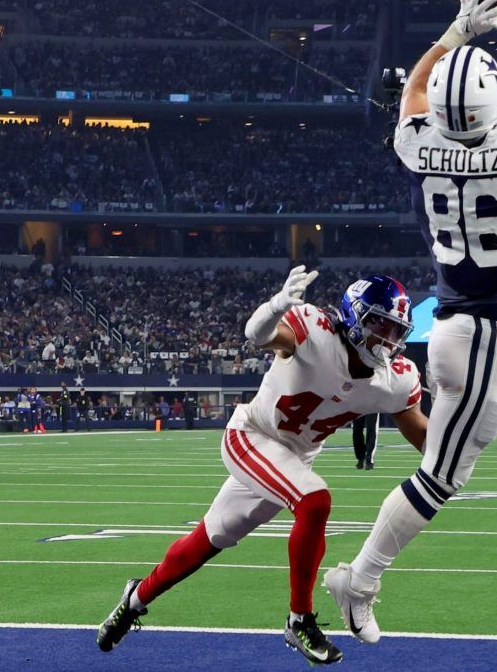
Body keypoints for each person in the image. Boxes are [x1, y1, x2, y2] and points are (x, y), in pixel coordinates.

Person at [324, 0, 497, 645]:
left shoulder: (415, 142)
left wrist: (454, 30)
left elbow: (414, 93)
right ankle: (357, 579)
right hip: (478, 339)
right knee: (439, 477)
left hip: (475, 329)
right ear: (492, 103)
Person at [96, 269, 427, 666]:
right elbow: (258, 335)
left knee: (205, 542)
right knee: (315, 501)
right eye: (379, 325)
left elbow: (422, 435)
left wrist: (461, 446)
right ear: (355, 315)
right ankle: (299, 619)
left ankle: (134, 599)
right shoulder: (314, 331)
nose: (388, 340)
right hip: (251, 437)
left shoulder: (394, 379)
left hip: (291, 459)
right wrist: (276, 305)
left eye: (395, 330)